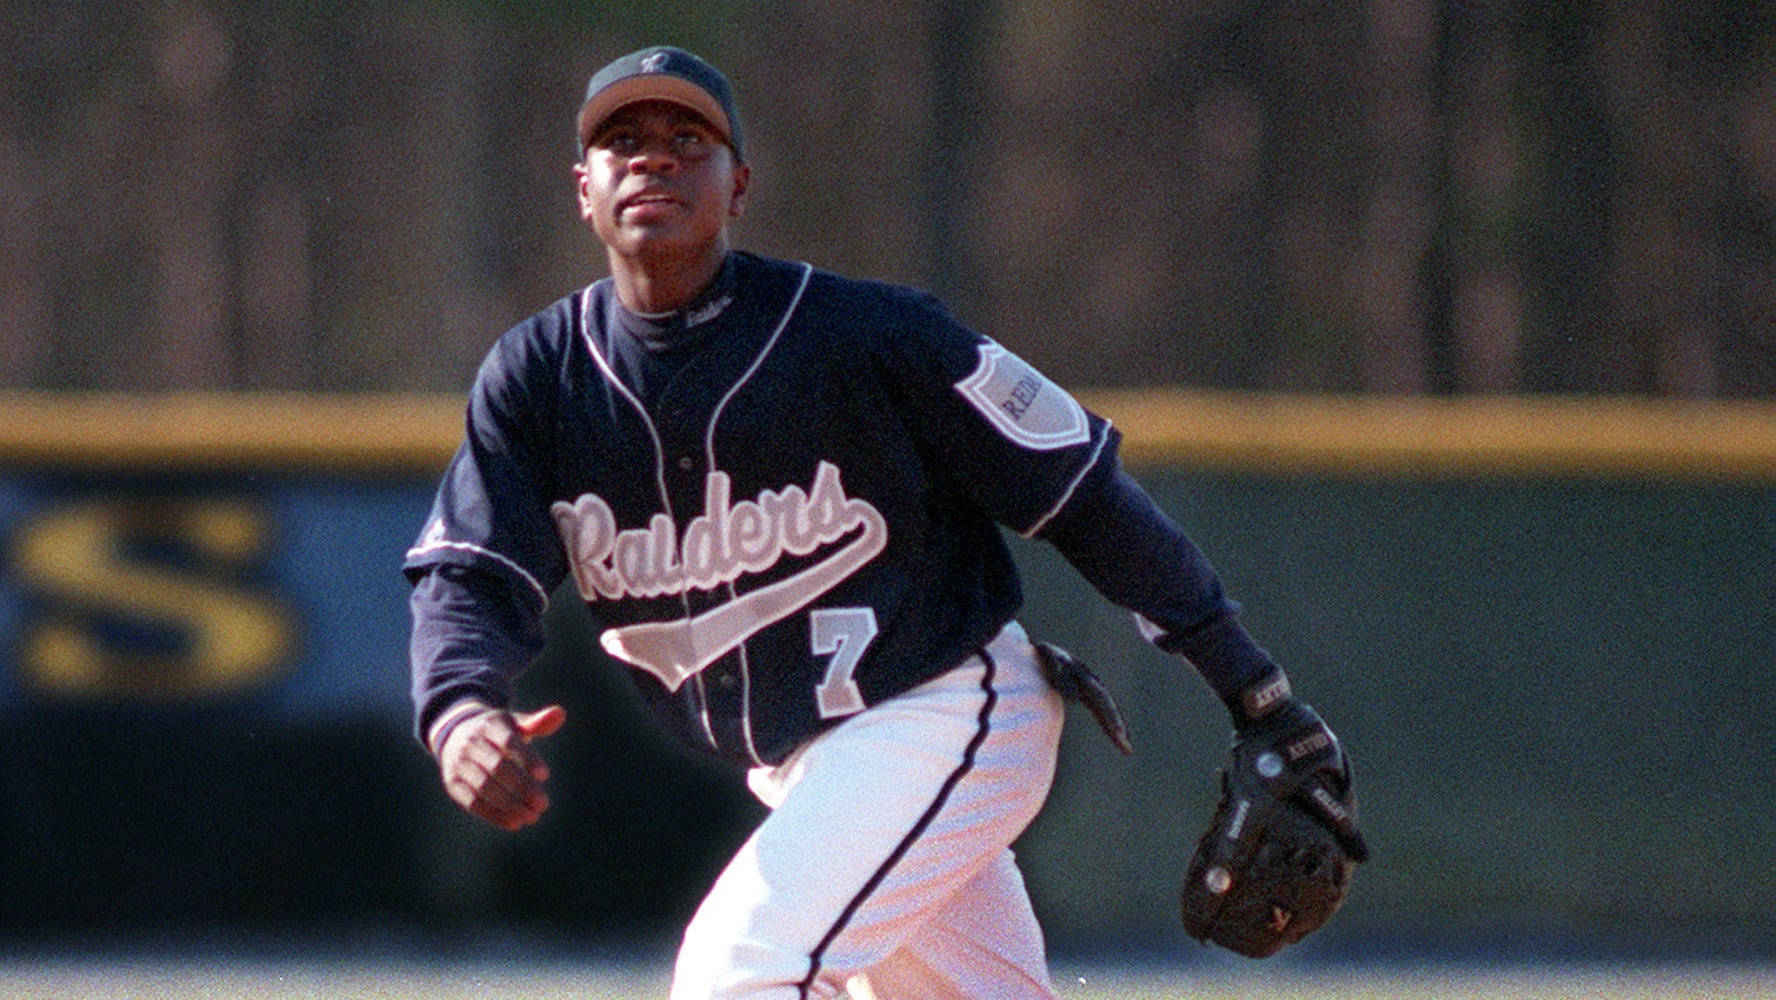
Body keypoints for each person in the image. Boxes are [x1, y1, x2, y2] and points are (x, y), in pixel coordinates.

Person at [406, 45, 1358, 999]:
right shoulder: (538, 379)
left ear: (738, 185)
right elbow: (472, 573)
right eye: (623, 141)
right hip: (808, 773)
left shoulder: (864, 336)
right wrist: (457, 710)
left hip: (945, 707)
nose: (653, 159)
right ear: (584, 188)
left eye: (686, 140)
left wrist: (1256, 694)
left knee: (742, 972)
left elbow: (1081, 494)